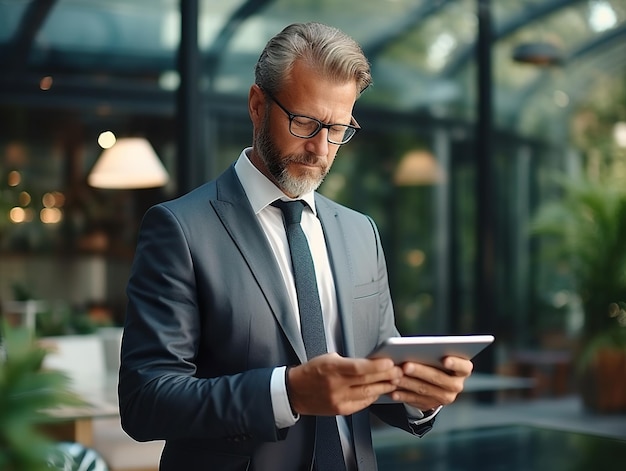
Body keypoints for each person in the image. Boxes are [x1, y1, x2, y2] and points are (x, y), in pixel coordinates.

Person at [118, 22, 473, 471]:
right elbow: (145, 399)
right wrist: (286, 393)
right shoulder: (179, 229)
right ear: (257, 105)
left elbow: (375, 376)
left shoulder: (361, 231)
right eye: (305, 122)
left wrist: (420, 395)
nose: (320, 149)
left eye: (338, 128)